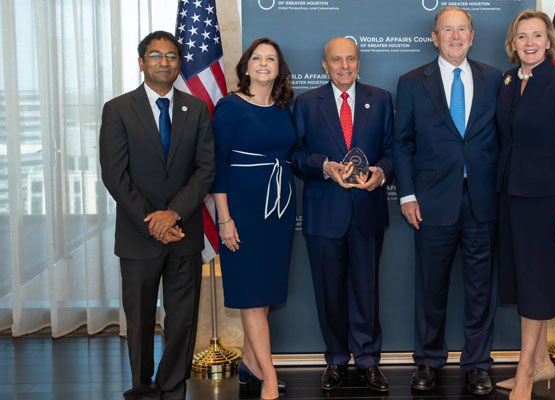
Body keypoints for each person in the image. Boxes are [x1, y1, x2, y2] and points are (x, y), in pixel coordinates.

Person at [99, 31, 216, 400]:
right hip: (138, 236)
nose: (164, 62)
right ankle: (142, 387)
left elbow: (206, 170)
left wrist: (173, 215)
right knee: (140, 319)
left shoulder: (195, 108)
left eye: (171, 56)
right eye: (155, 55)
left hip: (184, 234)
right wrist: (153, 220)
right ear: (141, 62)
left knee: (182, 318)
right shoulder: (117, 109)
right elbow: (115, 176)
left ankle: (171, 385)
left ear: (179, 63)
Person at [392, 6, 501, 395]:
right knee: (431, 289)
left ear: (472, 36)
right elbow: (401, 143)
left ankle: (477, 363)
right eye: (447, 30)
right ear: (434, 37)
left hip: (483, 203)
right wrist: (406, 194)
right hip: (432, 202)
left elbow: (502, 141)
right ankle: (428, 362)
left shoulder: (494, 80)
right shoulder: (410, 82)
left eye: (462, 30)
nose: (455, 37)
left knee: (480, 291)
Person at [290, 37, 393, 393]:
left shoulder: (380, 100)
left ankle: (368, 361)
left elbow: (392, 151)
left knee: (366, 290)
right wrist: (325, 166)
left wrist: (381, 173)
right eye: (337, 60)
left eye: (351, 59)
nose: (344, 66)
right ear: (325, 65)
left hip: (367, 211)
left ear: (359, 62)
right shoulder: (306, 104)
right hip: (323, 215)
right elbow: (296, 155)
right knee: (329, 292)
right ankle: (335, 358)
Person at [493, 10, 555, 400]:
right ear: (513, 44)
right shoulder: (510, 81)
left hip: (546, 201)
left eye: (536, 36)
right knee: (520, 281)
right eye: (522, 37)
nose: (529, 43)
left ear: (549, 42)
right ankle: (543, 361)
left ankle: (526, 370)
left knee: (534, 284)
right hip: (510, 196)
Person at [210, 38, 296, 400]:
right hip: (242, 212)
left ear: (279, 68)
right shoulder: (229, 106)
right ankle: (270, 378)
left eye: (271, 59)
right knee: (250, 296)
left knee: (261, 298)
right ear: (246, 67)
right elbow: (217, 166)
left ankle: (250, 363)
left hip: (278, 211)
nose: (263, 63)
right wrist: (224, 220)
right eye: (257, 58)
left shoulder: (281, 108)